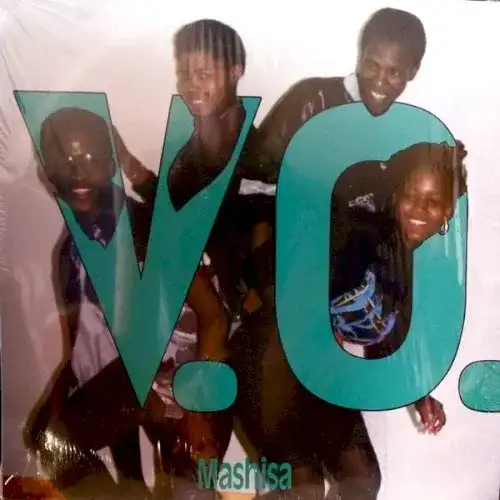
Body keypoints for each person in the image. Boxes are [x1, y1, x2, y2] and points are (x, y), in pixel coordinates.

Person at [25, 107, 230, 499]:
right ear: (48, 171)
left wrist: (199, 413)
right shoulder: (70, 253)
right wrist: (56, 408)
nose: (78, 174)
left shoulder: (151, 227)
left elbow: (214, 318)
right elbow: (86, 352)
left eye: (92, 158)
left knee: (191, 491)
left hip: (188, 375)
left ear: (111, 162)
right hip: (131, 382)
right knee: (47, 440)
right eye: (64, 161)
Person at [116, 18, 275, 498]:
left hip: (221, 335)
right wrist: (127, 164)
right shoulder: (196, 148)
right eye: (184, 72)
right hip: (192, 324)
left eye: (204, 72)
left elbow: (262, 246)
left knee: (195, 474)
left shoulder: (254, 154)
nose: (191, 84)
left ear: (236, 71)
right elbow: (178, 219)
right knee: (183, 472)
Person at [330, 141, 467, 434]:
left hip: (314, 373)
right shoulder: (363, 234)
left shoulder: (410, 266)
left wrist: (419, 397)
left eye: (433, 200)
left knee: (357, 464)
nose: (420, 208)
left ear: (448, 209)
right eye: (411, 195)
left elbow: (389, 344)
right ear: (395, 196)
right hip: (278, 352)